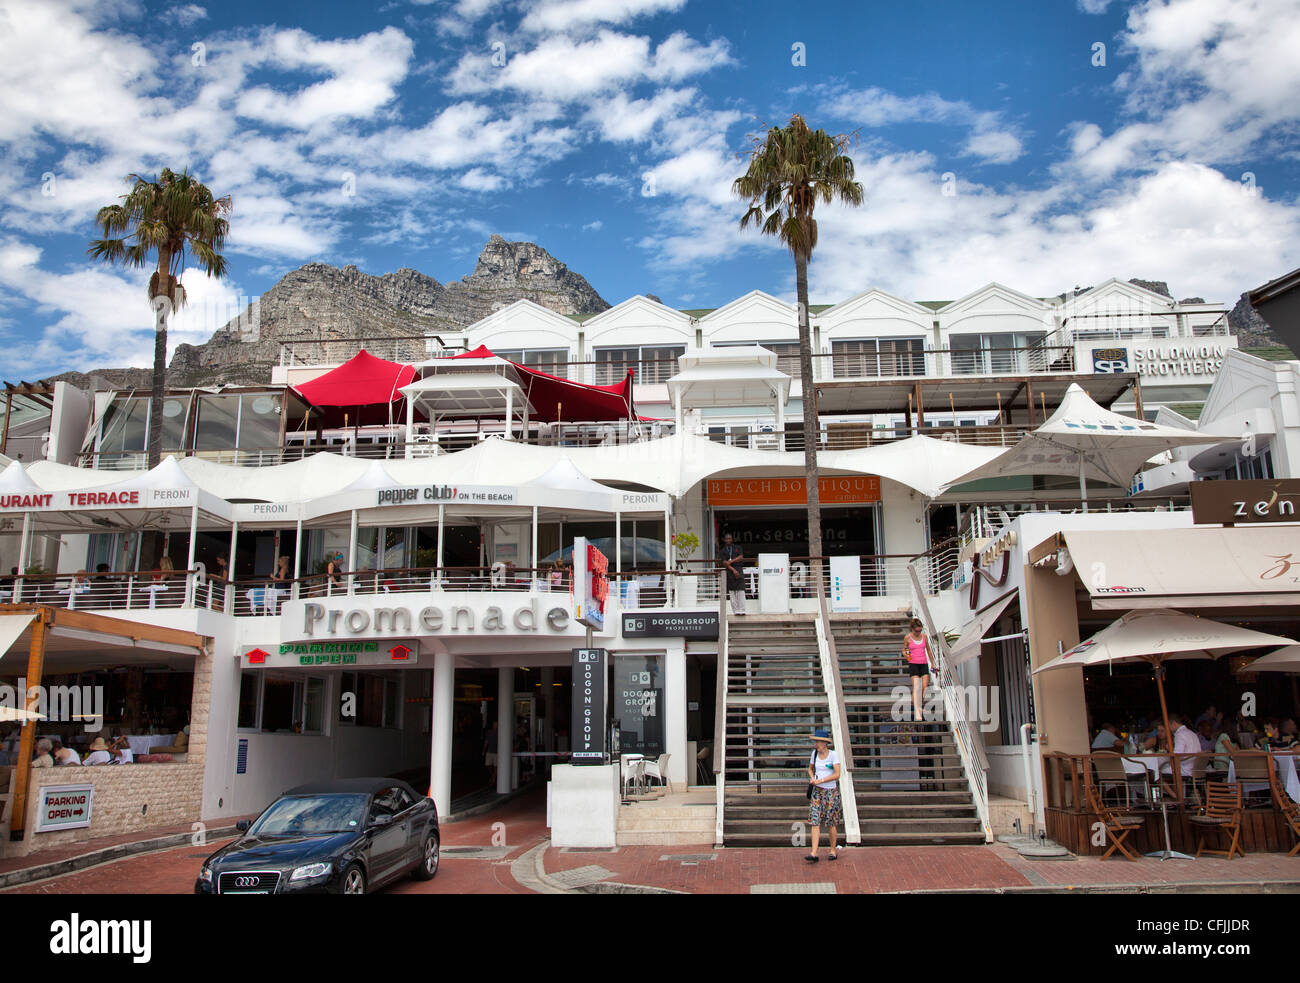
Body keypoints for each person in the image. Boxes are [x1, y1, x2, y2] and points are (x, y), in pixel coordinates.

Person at [805, 729, 842, 862]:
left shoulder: (833, 755)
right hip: (817, 792)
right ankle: (814, 852)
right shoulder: (814, 754)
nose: (816, 744)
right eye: (815, 741)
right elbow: (810, 768)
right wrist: (812, 778)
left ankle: (833, 849)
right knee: (815, 821)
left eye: (818, 742)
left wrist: (821, 780)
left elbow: (837, 774)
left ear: (825, 743)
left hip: (830, 792)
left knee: (831, 822)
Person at [900, 618, 933, 731]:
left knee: (925, 687)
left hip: (923, 664)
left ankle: (919, 705)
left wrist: (932, 664)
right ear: (912, 629)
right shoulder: (908, 638)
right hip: (913, 664)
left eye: (920, 630)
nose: (918, 633)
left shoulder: (924, 637)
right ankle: (918, 710)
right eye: (916, 631)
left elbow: (928, 650)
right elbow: (904, 650)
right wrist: (907, 655)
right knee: (917, 686)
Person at [719, 533, 744, 616]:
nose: (728, 540)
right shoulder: (723, 551)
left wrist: (731, 561)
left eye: (730, 538)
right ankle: (735, 611)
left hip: (739, 569)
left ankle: (742, 609)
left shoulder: (737, 548)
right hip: (730, 571)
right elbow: (724, 563)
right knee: (732, 591)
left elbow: (740, 557)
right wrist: (733, 570)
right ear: (725, 540)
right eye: (727, 539)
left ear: (732, 539)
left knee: (741, 590)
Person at [1170, 713, 1198, 779]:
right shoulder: (1192, 733)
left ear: (1173, 723)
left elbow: (1177, 755)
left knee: (1158, 771)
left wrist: (1170, 750)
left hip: (1185, 769)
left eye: (1168, 725)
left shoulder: (1179, 734)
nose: (1168, 728)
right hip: (1195, 768)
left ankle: (1172, 790)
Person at [484, 719, 499, 784]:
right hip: (489, 751)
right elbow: (486, 741)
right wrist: (484, 750)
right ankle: (493, 775)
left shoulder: (499, 733)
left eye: (496, 724)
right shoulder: (489, 732)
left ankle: (493, 778)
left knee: (496, 766)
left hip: (496, 752)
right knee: (487, 765)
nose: (495, 725)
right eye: (494, 724)